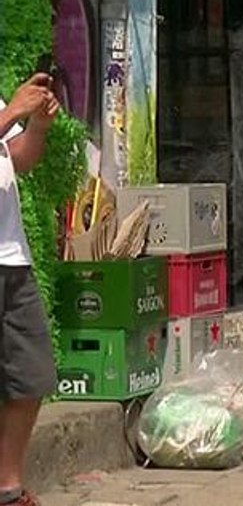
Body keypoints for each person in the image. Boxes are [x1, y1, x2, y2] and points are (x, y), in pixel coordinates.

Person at [0, 74, 62, 506]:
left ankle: (7, 487)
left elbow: (17, 160)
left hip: (11, 257)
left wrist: (36, 126)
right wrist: (10, 115)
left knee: (31, 375)